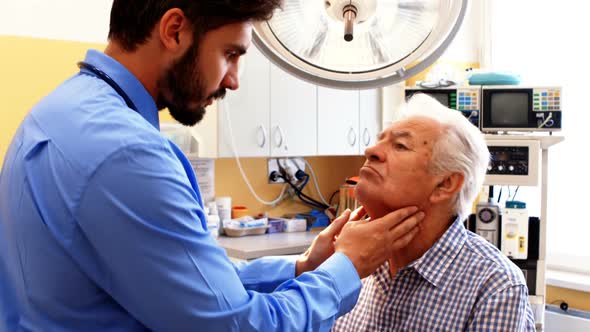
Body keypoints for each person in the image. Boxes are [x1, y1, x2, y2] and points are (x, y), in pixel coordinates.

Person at [0, 1, 427, 331]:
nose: (233, 79)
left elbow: (187, 279)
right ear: (174, 30)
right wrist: (346, 269)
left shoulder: (55, 112)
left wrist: (300, 267)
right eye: (230, 54)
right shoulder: (128, 155)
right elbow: (235, 324)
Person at [331, 94, 537, 331]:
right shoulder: (345, 261)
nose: (371, 150)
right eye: (380, 140)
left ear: (445, 184)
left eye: (400, 145)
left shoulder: (496, 287)